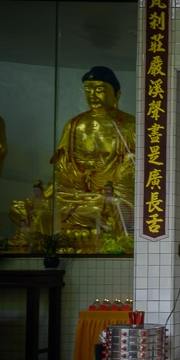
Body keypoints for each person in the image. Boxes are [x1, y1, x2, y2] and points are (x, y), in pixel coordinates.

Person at [48, 66, 136, 252]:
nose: (93, 95)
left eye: (100, 89)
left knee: (117, 206)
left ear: (117, 94)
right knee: (45, 207)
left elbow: (136, 166)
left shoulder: (130, 125)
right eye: (88, 90)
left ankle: (110, 233)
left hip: (113, 193)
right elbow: (63, 165)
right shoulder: (74, 125)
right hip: (79, 195)